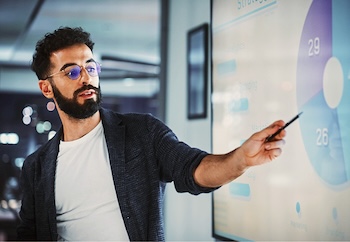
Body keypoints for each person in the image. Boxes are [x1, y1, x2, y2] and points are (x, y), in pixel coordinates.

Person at [17, 27, 286, 241]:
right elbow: (28, 235)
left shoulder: (141, 132)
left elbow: (192, 168)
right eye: (72, 71)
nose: (86, 78)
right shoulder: (37, 167)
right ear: (47, 88)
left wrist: (240, 159)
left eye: (90, 67)